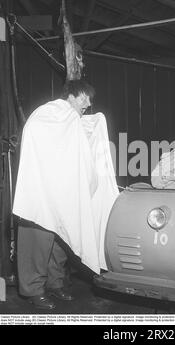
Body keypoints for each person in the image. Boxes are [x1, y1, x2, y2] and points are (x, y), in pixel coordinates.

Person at [13, 79, 119, 310]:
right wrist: (76, 123)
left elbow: (81, 140)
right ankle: (33, 290)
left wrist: (96, 122)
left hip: (62, 194)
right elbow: (43, 136)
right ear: (71, 95)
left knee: (61, 243)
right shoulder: (49, 113)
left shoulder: (71, 120)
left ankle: (55, 284)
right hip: (41, 194)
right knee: (37, 244)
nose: (88, 103)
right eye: (84, 98)